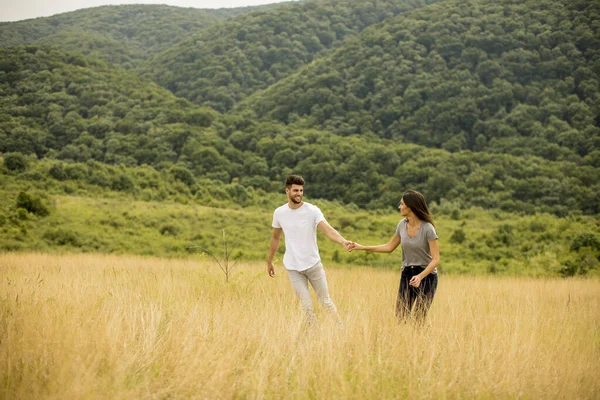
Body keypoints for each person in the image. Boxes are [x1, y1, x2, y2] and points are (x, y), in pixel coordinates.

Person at [267, 175, 351, 325]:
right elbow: (275, 238)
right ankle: (312, 338)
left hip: (313, 264)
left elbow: (328, 230)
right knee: (306, 306)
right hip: (293, 267)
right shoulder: (279, 213)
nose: (299, 193)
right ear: (287, 191)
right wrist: (270, 261)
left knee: (325, 301)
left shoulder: (312, 210)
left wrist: (343, 241)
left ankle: (340, 330)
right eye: (295, 190)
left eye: (301, 190)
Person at [349, 190, 440, 322]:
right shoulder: (402, 225)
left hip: (427, 276)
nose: (399, 207)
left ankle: (420, 341)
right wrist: (361, 247)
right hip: (408, 273)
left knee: (419, 317)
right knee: (401, 315)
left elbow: (436, 259)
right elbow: (389, 247)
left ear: (411, 206)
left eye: (402, 204)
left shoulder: (428, 228)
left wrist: (420, 276)